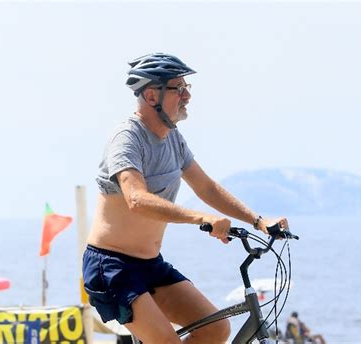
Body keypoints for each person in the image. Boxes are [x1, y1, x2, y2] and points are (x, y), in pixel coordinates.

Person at [82, 52, 289, 344]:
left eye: (187, 88)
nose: (187, 95)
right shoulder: (127, 138)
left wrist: (258, 221)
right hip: (112, 267)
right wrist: (200, 218)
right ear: (152, 94)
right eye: (179, 88)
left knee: (216, 329)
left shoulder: (173, 139)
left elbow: (206, 188)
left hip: (150, 265)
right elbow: (136, 199)